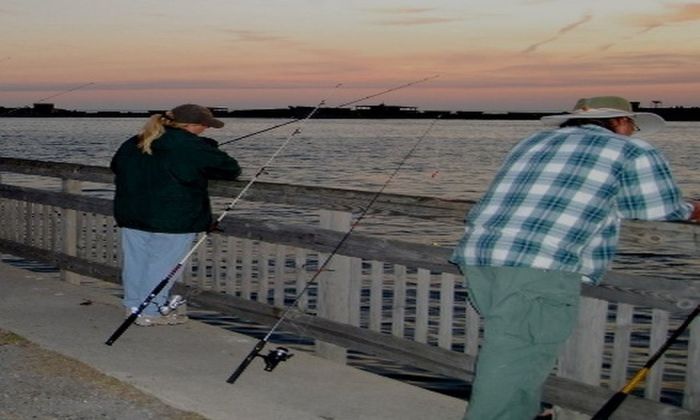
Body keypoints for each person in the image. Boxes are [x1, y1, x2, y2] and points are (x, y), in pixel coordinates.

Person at [450, 96, 700, 420]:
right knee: (516, 357)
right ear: (620, 122)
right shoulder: (632, 150)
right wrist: (694, 207)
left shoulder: (534, 143)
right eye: (632, 125)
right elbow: (660, 209)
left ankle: (527, 411)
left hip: (479, 255)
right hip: (539, 264)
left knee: (511, 350)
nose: (632, 131)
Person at [111, 104, 241, 327]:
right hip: (174, 216)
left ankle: (133, 308)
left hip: (132, 212)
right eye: (204, 126)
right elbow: (230, 169)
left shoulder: (138, 140)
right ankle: (150, 312)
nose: (206, 130)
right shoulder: (190, 144)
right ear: (192, 125)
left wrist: (202, 146)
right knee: (163, 266)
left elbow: (116, 165)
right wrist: (206, 147)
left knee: (136, 263)